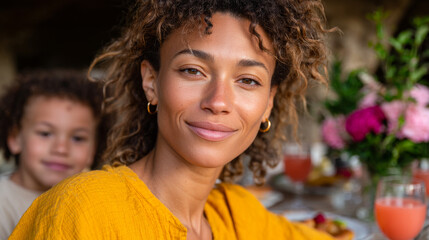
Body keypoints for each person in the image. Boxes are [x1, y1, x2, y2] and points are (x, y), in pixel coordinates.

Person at [10, 0, 335, 239]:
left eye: (248, 80)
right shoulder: (82, 212)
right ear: (151, 82)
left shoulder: (239, 215)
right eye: (192, 71)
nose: (218, 102)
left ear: (268, 104)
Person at [0, 70, 107, 239]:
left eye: (78, 138)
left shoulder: (92, 204)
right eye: (45, 133)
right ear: (15, 138)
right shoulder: (3, 203)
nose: (61, 149)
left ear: (93, 150)